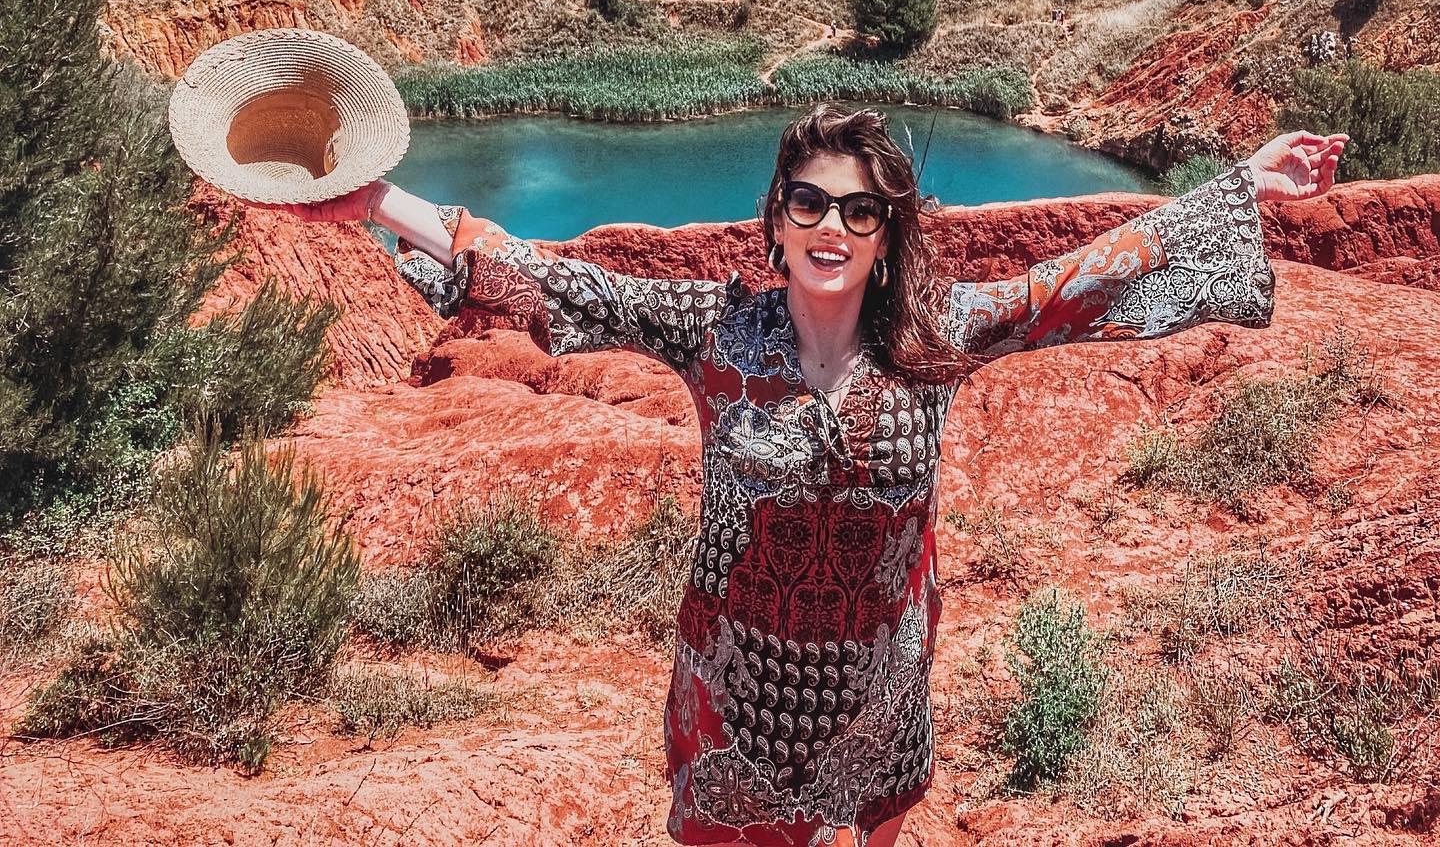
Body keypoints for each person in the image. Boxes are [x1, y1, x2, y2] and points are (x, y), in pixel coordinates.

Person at [277, 109, 1347, 847]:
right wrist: (377, 200)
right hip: (734, 699)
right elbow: (545, 275)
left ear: (888, 235)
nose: (831, 227)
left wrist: (1242, 185)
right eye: (810, 203)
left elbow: (1085, 277)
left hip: (877, 701)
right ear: (777, 217)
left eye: (860, 212)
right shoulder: (714, 330)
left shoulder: (940, 336)